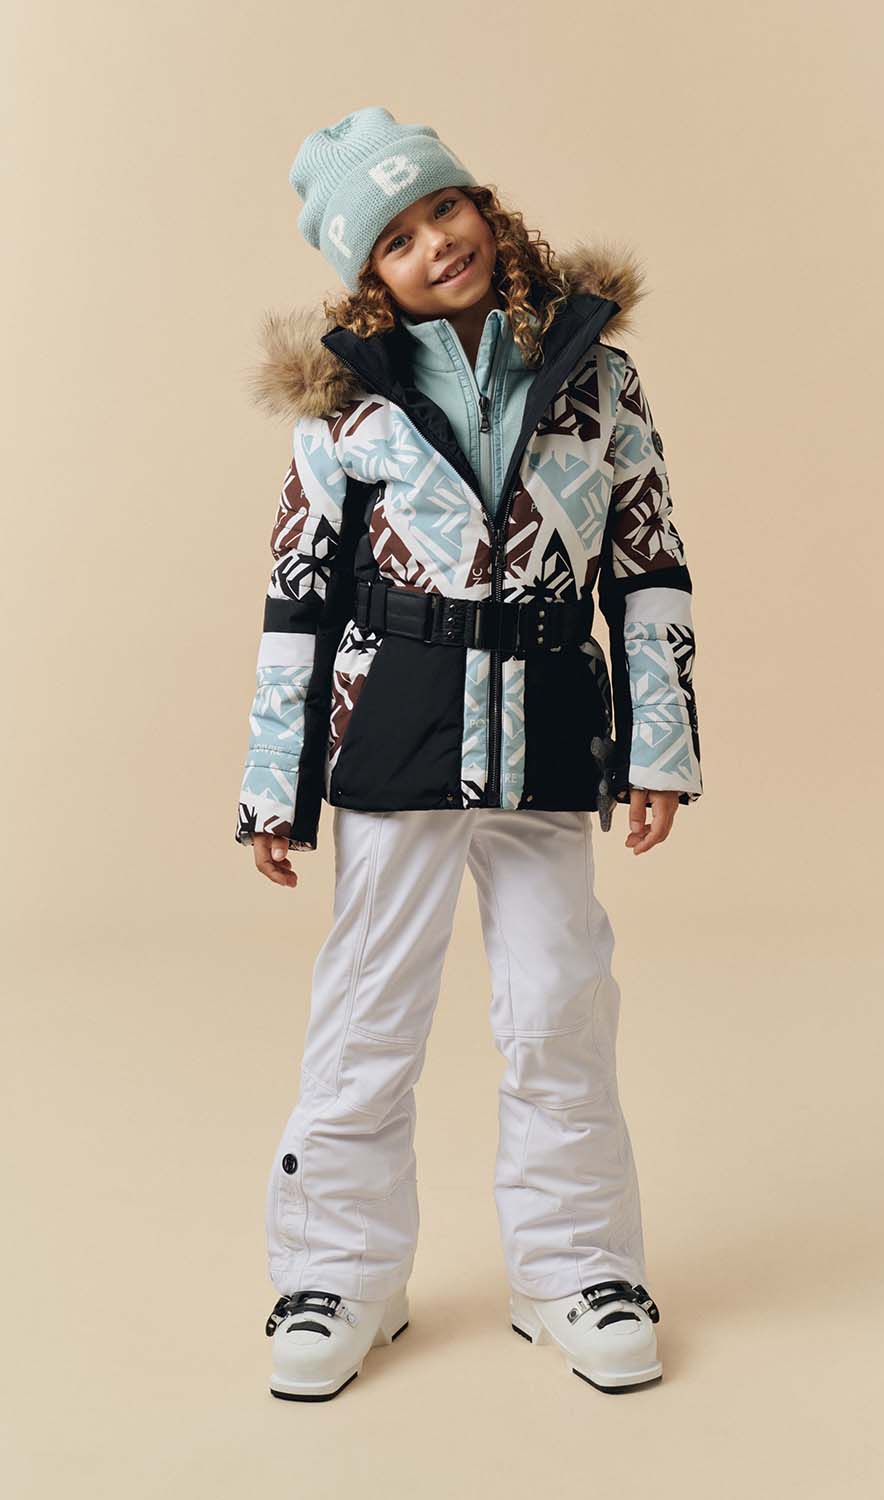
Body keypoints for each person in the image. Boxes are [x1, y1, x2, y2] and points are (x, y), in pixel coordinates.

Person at [236, 106, 704, 1402]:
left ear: (485, 209)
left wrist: (658, 747)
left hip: (547, 728)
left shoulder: (597, 376)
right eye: (395, 238)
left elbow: (648, 566)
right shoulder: (344, 404)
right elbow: (296, 594)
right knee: (367, 1013)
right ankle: (338, 1275)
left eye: (444, 208)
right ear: (369, 277)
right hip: (395, 730)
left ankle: (576, 1268)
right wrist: (274, 784)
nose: (434, 243)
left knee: (560, 1006)